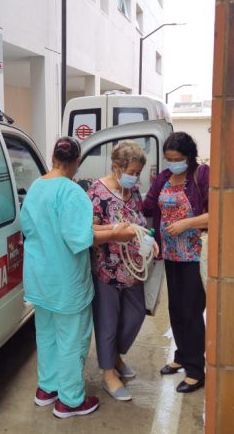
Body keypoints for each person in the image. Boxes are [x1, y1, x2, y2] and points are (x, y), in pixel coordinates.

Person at [21, 136, 137, 419]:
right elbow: (80, 238)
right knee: (72, 340)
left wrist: (111, 229)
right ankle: (70, 401)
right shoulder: (72, 192)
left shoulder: (37, 187)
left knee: (46, 335)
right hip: (65, 281)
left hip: (39, 277)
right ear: (76, 162)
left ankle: (47, 389)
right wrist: (116, 234)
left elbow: (33, 227)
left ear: (53, 158)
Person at [87, 140, 157, 402]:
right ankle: (108, 374)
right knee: (108, 323)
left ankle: (115, 356)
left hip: (133, 270)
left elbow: (139, 221)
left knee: (135, 316)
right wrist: (117, 233)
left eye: (138, 173)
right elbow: (89, 231)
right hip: (107, 270)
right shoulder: (97, 192)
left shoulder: (133, 191)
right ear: (116, 167)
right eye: (132, 172)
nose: (135, 178)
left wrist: (148, 240)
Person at [142, 132, 209, 394]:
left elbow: (217, 212)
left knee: (192, 310)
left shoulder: (202, 175)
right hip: (169, 254)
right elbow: (148, 206)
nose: (173, 163)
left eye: (177, 159)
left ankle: (196, 370)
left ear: (188, 156)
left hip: (192, 255)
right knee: (177, 309)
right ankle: (181, 355)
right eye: (169, 159)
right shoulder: (163, 178)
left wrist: (187, 223)